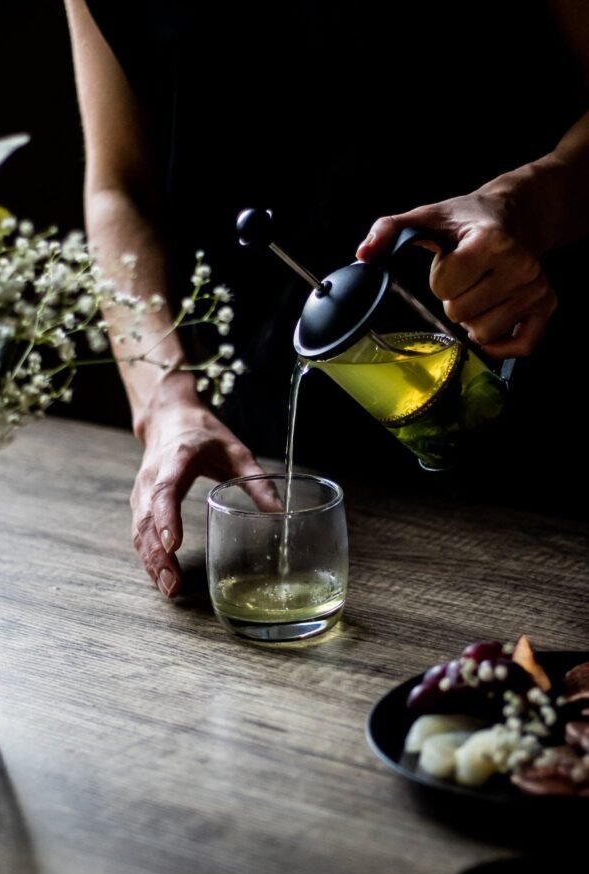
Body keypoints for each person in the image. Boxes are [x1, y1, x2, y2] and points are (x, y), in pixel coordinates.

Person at [64, 0, 589, 598]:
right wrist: (163, 403)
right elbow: (118, 189)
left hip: (545, 431)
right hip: (276, 471)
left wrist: (532, 204)